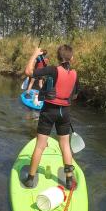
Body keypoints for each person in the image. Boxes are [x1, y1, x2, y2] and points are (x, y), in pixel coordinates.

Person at [22, 44, 79, 190]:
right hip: (64, 112)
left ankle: (30, 180)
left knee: (40, 146)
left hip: (49, 111)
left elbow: (28, 71)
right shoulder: (75, 74)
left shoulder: (52, 70)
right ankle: (68, 180)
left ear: (58, 57)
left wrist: (34, 54)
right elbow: (75, 95)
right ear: (71, 58)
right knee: (65, 145)